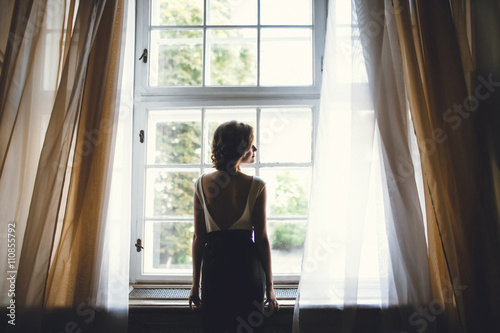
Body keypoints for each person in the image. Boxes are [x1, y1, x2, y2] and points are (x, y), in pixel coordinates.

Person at [189, 121, 279, 332]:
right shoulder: (257, 185)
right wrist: (270, 288)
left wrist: (196, 284)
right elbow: (262, 239)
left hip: (215, 269)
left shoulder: (201, 184)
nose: (255, 149)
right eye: (251, 145)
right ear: (241, 149)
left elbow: (198, 239)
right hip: (247, 270)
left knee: (217, 326)